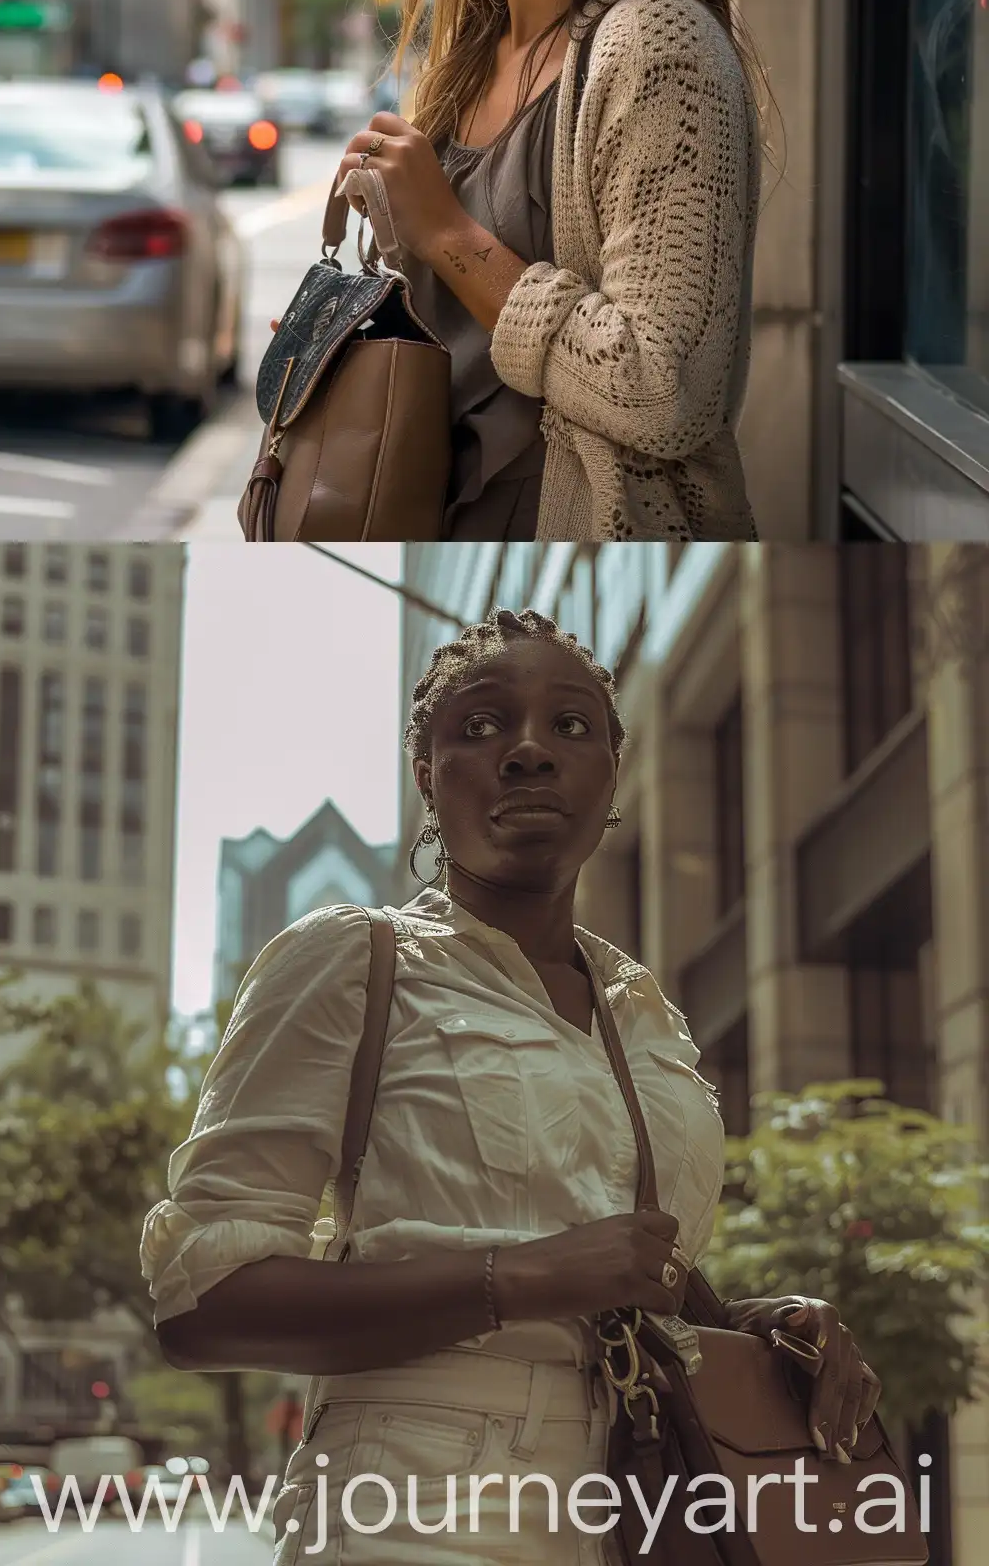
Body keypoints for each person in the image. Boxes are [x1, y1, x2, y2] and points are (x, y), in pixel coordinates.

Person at [145, 610, 883, 1566]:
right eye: (483, 726)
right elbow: (203, 1303)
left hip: (649, 1495)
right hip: (415, 1495)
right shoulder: (354, 958)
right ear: (428, 775)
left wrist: (755, 1324)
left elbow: (621, 1272)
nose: (530, 752)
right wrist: (519, 1279)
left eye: (571, 728)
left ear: (612, 775)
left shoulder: (643, 1015)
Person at [327, 0, 767, 541]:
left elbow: (666, 389)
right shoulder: (465, 62)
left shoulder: (655, 44)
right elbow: (458, 351)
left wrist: (446, 230)